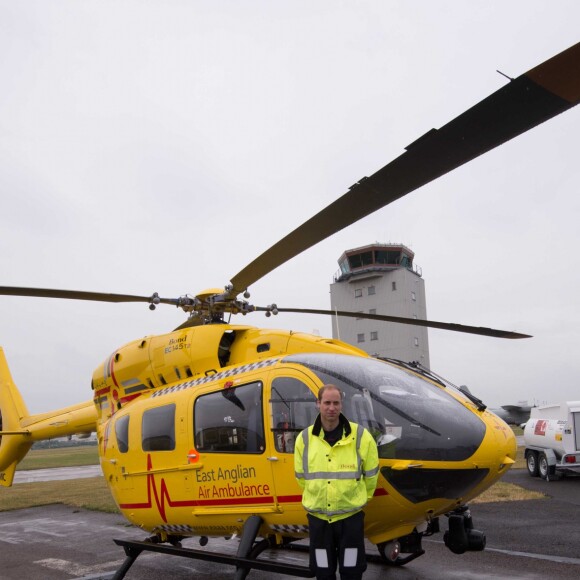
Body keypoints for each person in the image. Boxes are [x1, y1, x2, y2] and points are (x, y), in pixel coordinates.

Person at [294, 384, 379, 580]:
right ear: (318, 404)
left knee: (352, 572)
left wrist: (358, 499)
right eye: (327, 403)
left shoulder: (360, 436)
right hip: (319, 520)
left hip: (350, 519)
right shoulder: (304, 439)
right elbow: (301, 478)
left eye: (336, 403)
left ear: (341, 405)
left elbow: (372, 475)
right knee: (323, 572)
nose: (331, 408)